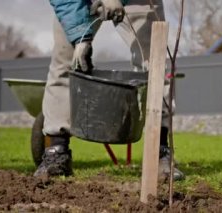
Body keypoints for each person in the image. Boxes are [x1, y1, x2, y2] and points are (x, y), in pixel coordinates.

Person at [33, 0, 184, 181]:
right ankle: (57, 153)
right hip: (77, 3)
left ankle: (159, 153)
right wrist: (80, 37)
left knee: (155, 60)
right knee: (65, 62)